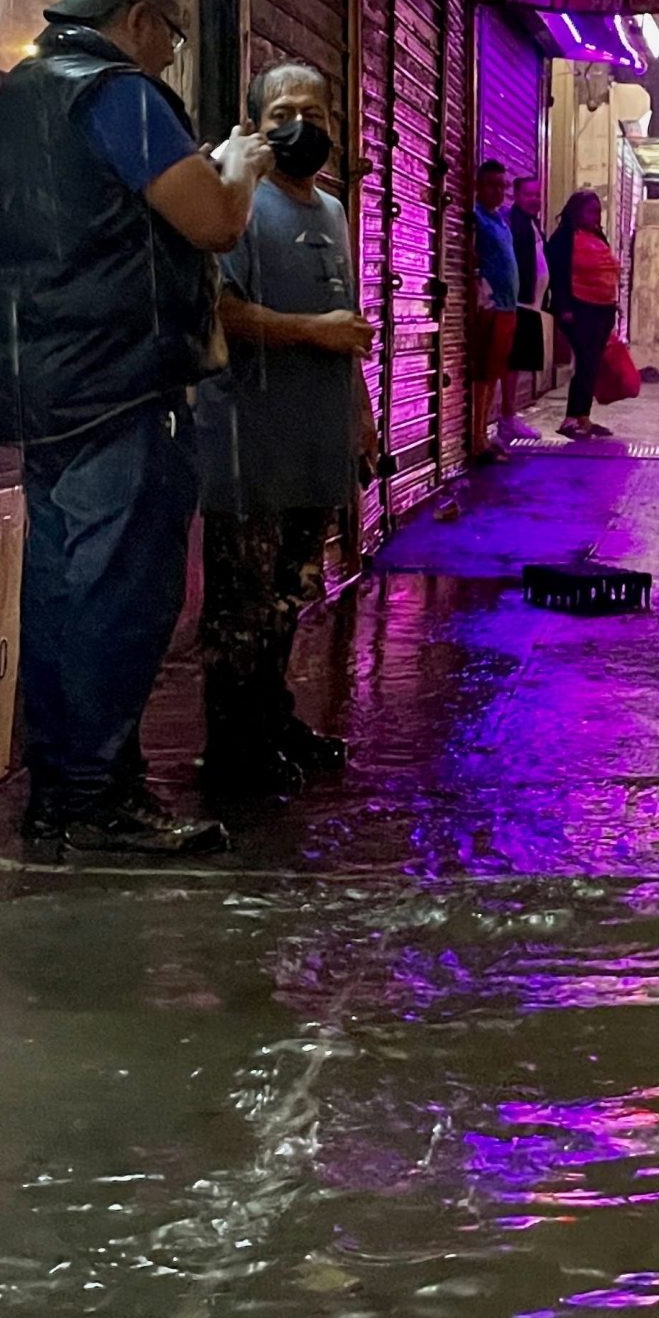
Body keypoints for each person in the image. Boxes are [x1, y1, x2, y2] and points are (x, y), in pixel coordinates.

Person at [0, 0, 269, 855]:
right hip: (122, 385)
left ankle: (68, 789)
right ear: (137, 19)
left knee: (64, 591)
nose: (171, 50)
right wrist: (241, 165)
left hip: (45, 385)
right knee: (122, 600)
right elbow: (211, 221)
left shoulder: (18, 97)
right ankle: (95, 798)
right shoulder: (119, 96)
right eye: (170, 32)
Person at [193, 61, 379, 805]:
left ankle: (274, 723)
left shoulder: (331, 211)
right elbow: (220, 312)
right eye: (280, 113)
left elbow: (349, 331)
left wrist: (361, 420)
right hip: (249, 443)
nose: (297, 125)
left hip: (314, 443)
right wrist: (314, 334)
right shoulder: (235, 205)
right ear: (254, 125)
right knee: (242, 609)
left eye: (312, 110)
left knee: (289, 596)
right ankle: (235, 752)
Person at [550, 189, 622, 441]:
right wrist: (564, 308)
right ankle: (572, 418)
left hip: (603, 310)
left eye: (597, 212)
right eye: (590, 211)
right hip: (579, 310)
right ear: (576, 211)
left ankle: (583, 416)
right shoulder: (564, 238)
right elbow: (557, 274)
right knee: (585, 361)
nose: (594, 216)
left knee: (591, 364)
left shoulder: (597, 235)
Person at [466, 160, 518, 464]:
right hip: (491, 307)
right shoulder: (476, 220)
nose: (498, 191)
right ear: (478, 185)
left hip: (507, 308)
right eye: (491, 185)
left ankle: (484, 433)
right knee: (483, 374)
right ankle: (477, 439)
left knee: (494, 373)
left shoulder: (499, 220)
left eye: (502, 186)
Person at [501, 170, 548, 440]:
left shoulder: (531, 223)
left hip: (530, 304)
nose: (534, 199)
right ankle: (507, 417)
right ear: (516, 195)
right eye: (528, 194)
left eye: (537, 195)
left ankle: (509, 415)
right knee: (510, 362)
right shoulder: (514, 222)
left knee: (517, 363)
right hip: (518, 303)